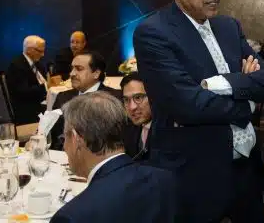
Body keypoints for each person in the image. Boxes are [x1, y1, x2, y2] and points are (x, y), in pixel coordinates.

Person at [134, 0, 264, 222]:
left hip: (246, 169)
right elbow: (187, 105)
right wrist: (248, 102)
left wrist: (221, 84)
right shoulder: (154, 32)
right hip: (194, 175)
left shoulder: (228, 26)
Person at [50, 92, 176, 223]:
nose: (64, 146)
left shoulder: (71, 216)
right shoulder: (165, 180)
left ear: (76, 138)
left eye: (64, 138)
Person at [49, 51, 119, 150]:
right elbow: (52, 132)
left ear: (96, 73)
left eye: (79, 69)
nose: (72, 73)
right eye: (72, 68)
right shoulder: (63, 97)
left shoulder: (114, 98)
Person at [5, 35, 47, 124]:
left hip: (38, 101)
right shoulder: (17, 65)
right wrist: (45, 87)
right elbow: (22, 92)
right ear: (29, 50)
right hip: (26, 108)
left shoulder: (38, 64)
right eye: (40, 51)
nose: (43, 55)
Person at [120, 72, 153, 161]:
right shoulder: (126, 127)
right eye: (126, 100)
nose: (132, 107)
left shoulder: (169, 131)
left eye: (138, 98)